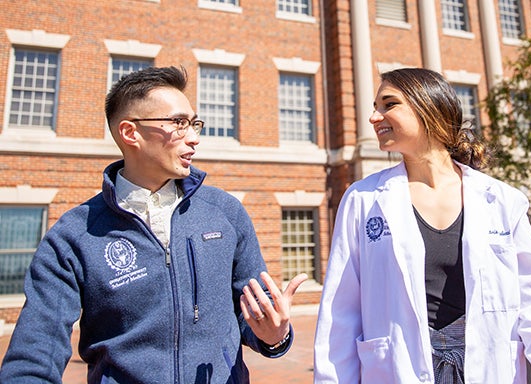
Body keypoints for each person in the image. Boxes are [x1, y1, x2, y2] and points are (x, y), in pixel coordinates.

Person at [0, 65, 308, 383]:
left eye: (194, 124)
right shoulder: (74, 236)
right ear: (130, 133)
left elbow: (256, 315)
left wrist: (275, 334)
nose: (194, 138)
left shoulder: (225, 212)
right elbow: (32, 359)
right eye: (179, 124)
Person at [313, 68, 531, 383]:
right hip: (400, 368)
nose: (374, 117)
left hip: (485, 366)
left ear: (428, 108)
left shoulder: (500, 201)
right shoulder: (363, 200)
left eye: (389, 104)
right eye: (376, 106)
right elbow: (340, 315)